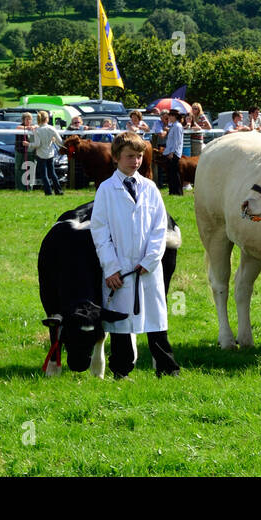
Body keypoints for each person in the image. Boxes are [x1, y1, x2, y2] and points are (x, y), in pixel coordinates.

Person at [92, 131, 180, 379]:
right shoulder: (106, 190)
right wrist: (111, 267)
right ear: (116, 157)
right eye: (130, 156)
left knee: (156, 320)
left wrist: (150, 260)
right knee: (121, 322)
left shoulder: (150, 188)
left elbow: (159, 227)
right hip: (119, 268)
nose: (136, 161)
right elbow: (100, 231)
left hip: (147, 267)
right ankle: (121, 370)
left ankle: (167, 367)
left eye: (139, 156)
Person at [32, 109, 64, 196]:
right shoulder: (51, 128)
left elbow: (37, 144)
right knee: (53, 173)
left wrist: (29, 144)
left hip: (41, 154)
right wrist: (52, 140)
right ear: (47, 119)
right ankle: (58, 190)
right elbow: (60, 141)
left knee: (44, 175)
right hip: (50, 154)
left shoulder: (37, 130)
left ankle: (48, 192)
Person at [162, 111, 184, 196]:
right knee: (171, 173)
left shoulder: (177, 126)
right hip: (170, 151)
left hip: (174, 153)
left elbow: (177, 141)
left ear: (175, 116)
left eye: (170, 116)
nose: (169, 118)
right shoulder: (173, 126)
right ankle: (172, 191)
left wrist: (172, 152)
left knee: (175, 173)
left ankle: (177, 192)